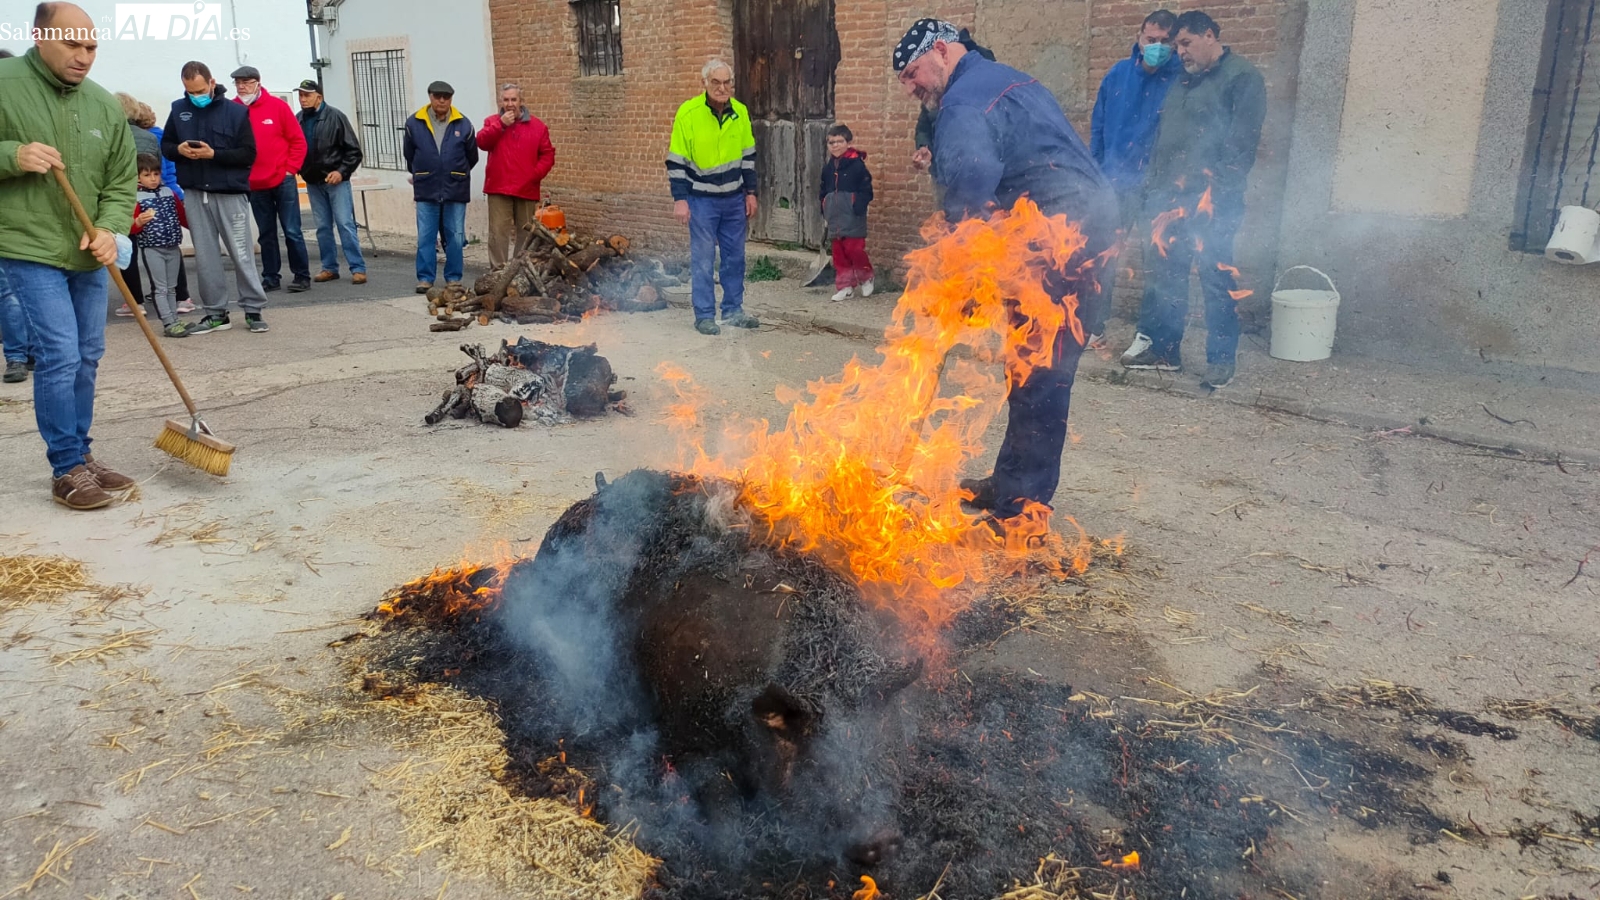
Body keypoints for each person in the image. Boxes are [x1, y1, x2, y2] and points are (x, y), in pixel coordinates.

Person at [894, 18, 1118, 523]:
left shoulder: (964, 103)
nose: (910, 89)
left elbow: (969, 199)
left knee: (1042, 373)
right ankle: (1011, 483)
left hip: (1066, 244)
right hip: (1052, 237)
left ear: (944, 52)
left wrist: (959, 281)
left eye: (911, 74)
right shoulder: (999, 79)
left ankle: (1022, 514)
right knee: (1027, 367)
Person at [0, 1, 139, 509]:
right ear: (39, 37)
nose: (84, 56)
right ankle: (66, 468)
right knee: (59, 355)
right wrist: (12, 155)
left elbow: (121, 181)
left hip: (87, 251)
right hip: (28, 243)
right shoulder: (5, 82)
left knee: (88, 356)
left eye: (92, 47)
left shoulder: (104, 104)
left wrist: (109, 228)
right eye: (72, 44)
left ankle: (82, 453)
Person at [1120, 10, 1266, 388]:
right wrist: (1154, 189)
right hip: (1170, 200)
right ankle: (1167, 351)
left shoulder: (1242, 77)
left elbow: (1240, 148)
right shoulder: (1183, 82)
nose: (1179, 52)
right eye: (1175, 45)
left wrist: (1214, 195)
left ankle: (1221, 360)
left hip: (1213, 202)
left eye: (1185, 43)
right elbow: (1166, 141)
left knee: (1216, 277)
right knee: (1168, 276)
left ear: (1210, 36)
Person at [1088, 8, 1180, 350]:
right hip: (1115, 184)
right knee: (1102, 258)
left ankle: (1148, 334)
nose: (1156, 46)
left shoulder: (1179, 80)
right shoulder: (1117, 75)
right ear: (1139, 39)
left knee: (1157, 261)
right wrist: (1096, 175)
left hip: (1158, 190)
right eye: (1150, 39)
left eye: (1164, 41)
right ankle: (1094, 327)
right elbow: (1098, 127)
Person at [161, 60, 270, 335]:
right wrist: (180, 150)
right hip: (196, 192)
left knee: (241, 253)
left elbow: (248, 154)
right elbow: (166, 146)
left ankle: (253, 309)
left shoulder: (235, 112)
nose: (195, 96)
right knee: (206, 258)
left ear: (212, 83)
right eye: (189, 91)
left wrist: (214, 154)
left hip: (229, 192)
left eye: (199, 90)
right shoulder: (178, 110)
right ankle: (216, 313)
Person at [666, 58, 761, 336]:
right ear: (704, 84)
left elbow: (748, 157)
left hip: (733, 199)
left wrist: (751, 193)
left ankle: (733, 310)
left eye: (727, 82)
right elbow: (676, 161)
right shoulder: (688, 113)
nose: (722, 88)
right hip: (701, 200)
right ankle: (705, 315)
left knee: (735, 258)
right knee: (704, 260)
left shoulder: (740, 112)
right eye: (716, 82)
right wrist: (680, 200)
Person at [232, 66, 310, 294]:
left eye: (246, 82)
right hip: (255, 183)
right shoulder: (234, 110)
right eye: (238, 82)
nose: (241, 86)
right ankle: (270, 276)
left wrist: (290, 169)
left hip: (282, 180)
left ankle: (301, 275)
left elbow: (298, 141)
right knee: (266, 233)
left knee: (292, 230)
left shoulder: (278, 107)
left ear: (257, 82)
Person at [403, 80, 478, 294]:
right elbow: (409, 156)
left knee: (455, 236)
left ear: (451, 99)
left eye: (446, 96)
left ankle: (454, 278)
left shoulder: (463, 124)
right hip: (426, 187)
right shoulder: (414, 123)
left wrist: (455, 173)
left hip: (456, 188)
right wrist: (424, 172)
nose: (442, 100)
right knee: (426, 236)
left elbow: (471, 157)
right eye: (437, 96)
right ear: (430, 97)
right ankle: (425, 278)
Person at [295, 79, 367, 284]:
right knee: (323, 227)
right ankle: (329, 268)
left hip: (336, 182)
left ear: (319, 96)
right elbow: (295, 147)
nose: (302, 99)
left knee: (345, 224)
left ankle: (358, 268)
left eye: (307, 95)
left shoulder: (336, 117)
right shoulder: (298, 119)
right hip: (313, 181)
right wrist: (299, 168)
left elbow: (354, 151)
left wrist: (341, 172)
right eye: (300, 95)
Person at [477, 82, 555, 269]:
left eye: (514, 99)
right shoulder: (492, 122)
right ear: (500, 101)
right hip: (499, 186)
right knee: (498, 232)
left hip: (526, 187)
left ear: (521, 101)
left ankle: (520, 270)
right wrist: (500, 125)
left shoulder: (537, 126)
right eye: (506, 100)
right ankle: (498, 271)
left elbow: (548, 154)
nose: (510, 104)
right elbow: (481, 141)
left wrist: (534, 175)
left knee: (526, 233)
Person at [131, 153, 189, 338]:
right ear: (137, 177)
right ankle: (168, 322)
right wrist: (139, 221)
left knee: (172, 287)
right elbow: (128, 227)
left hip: (173, 246)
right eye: (147, 175)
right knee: (161, 288)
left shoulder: (169, 192)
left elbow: (182, 216)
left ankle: (175, 320)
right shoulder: (135, 197)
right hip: (152, 248)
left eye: (156, 174)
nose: (153, 179)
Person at [819, 123, 874, 302]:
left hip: (852, 216)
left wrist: (857, 206)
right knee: (839, 254)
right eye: (831, 142)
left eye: (839, 141)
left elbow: (866, 191)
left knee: (854, 250)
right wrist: (824, 206)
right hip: (834, 218)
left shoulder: (857, 166)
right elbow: (823, 191)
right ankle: (845, 286)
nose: (835, 145)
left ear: (848, 143)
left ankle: (866, 277)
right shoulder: (828, 169)